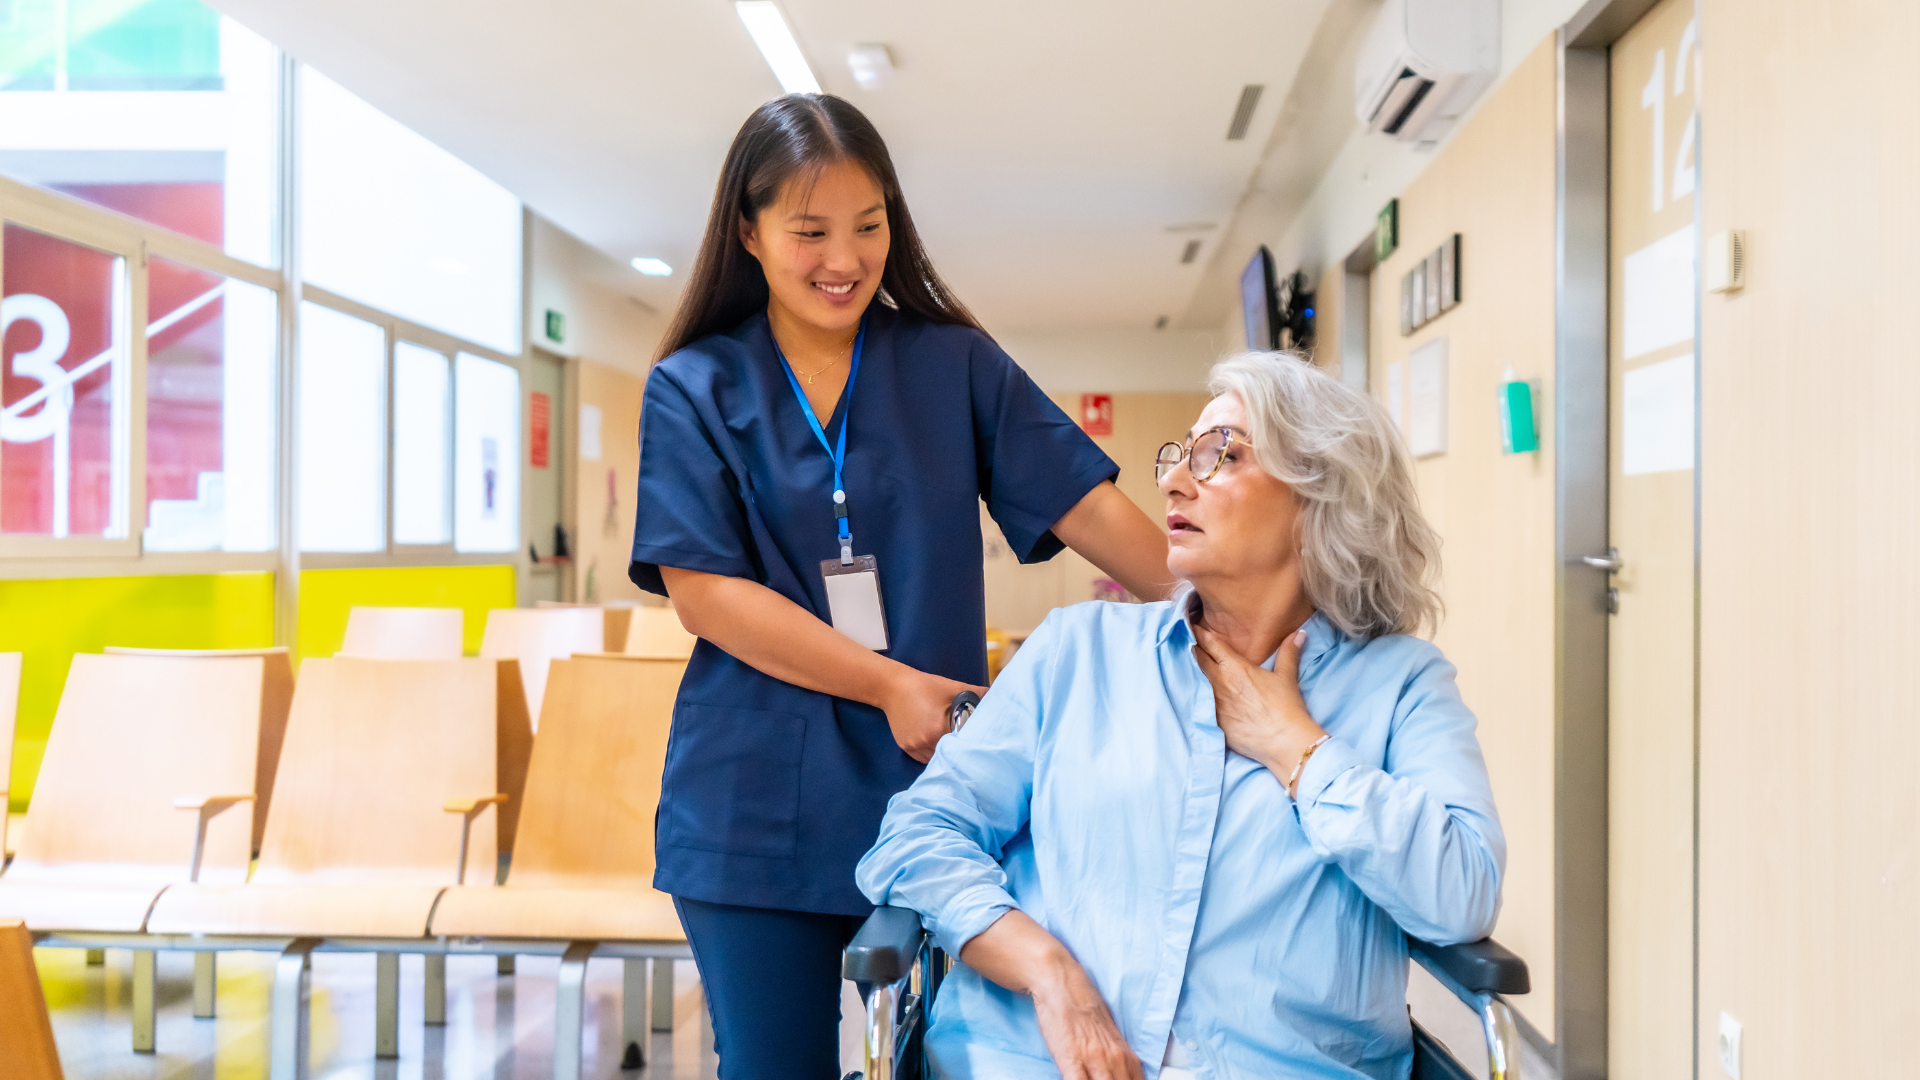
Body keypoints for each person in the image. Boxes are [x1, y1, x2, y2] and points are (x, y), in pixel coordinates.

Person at [630, 93, 1173, 1078]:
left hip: (938, 795)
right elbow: (705, 592)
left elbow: (1086, 507)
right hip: (752, 801)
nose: (844, 258)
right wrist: (890, 685)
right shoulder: (694, 386)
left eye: (869, 226)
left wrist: (1239, 613)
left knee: (951, 1058)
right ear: (747, 232)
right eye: (809, 231)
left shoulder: (951, 365)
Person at [857, 353, 1506, 1080]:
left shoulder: (1400, 685)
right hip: (1030, 1062)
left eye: (1219, 454)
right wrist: (1048, 972)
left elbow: (1463, 898)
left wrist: (1300, 751)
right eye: (1178, 455)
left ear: (1321, 494)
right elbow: (917, 834)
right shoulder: (1078, 651)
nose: (1171, 479)